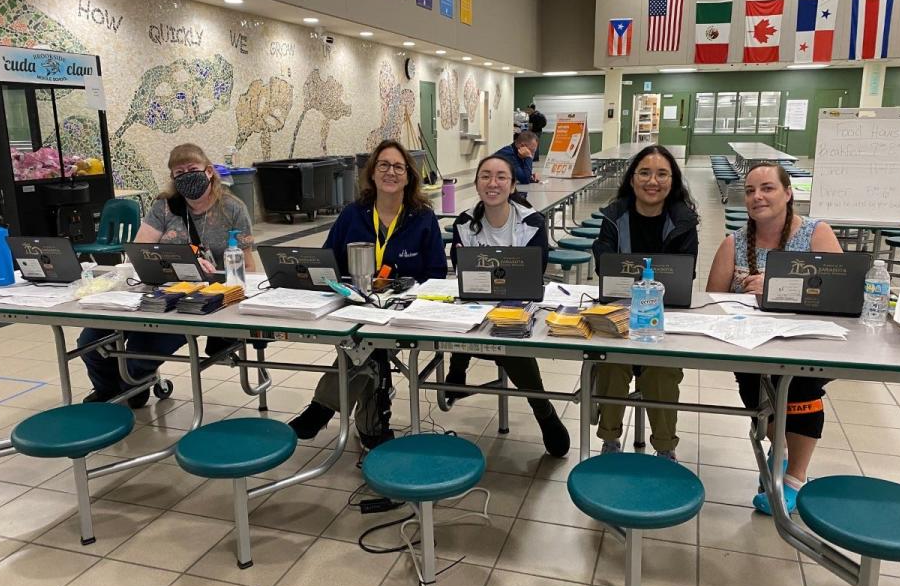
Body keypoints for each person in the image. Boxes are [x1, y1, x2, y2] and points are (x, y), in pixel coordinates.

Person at [290, 140, 447, 449]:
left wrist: (407, 293)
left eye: (398, 167)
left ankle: (322, 409)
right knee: (367, 346)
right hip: (356, 306)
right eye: (383, 165)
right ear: (372, 174)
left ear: (408, 176)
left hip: (403, 311)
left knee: (367, 348)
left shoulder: (422, 218)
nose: (391, 172)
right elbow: (327, 262)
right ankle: (372, 427)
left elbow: (438, 274)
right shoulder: (353, 215)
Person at [706, 162, 842, 515]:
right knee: (758, 393)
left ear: (788, 193)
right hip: (751, 344)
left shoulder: (815, 234)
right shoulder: (733, 243)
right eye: (750, 191)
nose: (757, 197)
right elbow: (711, 301)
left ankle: (795, 477)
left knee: (799, 388)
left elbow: (843, 291)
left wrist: (777, 289)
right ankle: (777, 450)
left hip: (808, 341)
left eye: (767, 188)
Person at [77, 143, 255, 406]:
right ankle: (110, 392)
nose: (186, 176)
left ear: (208, 171)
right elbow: (140, 250)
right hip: (159, 291)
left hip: (201, 299)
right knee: (90, 342)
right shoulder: (164, 207)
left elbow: (247, 268)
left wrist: (218, 274)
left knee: (138, 354)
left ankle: (131, 387)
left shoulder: (232, 208)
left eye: (192, 169)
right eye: (179, 173)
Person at [446, 155, 570, 457]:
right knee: (464, 321)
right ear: (476, 183)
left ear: (513, 184)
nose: (493, 183)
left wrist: (487, 273)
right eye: (485, 176)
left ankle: (542, 409)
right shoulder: (464, 222)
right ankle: (459, 367)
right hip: (475, 305)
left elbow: (532, 274)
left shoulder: (531, 222)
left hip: (515, 306)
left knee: (509, 336)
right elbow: (461, 269)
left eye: (501, 177)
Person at [591, 145, 699, 459]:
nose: (653, 181)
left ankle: (665, 448)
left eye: (662, 173)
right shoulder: (614, 216)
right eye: (645, 172)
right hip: (620, 313)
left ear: (673, 180)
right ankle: (610, 441)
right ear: (633, 178)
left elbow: (684, 276)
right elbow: (604, 265)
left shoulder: (683, 221)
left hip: (664, 316)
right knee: (612, 363)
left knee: (661, 370)